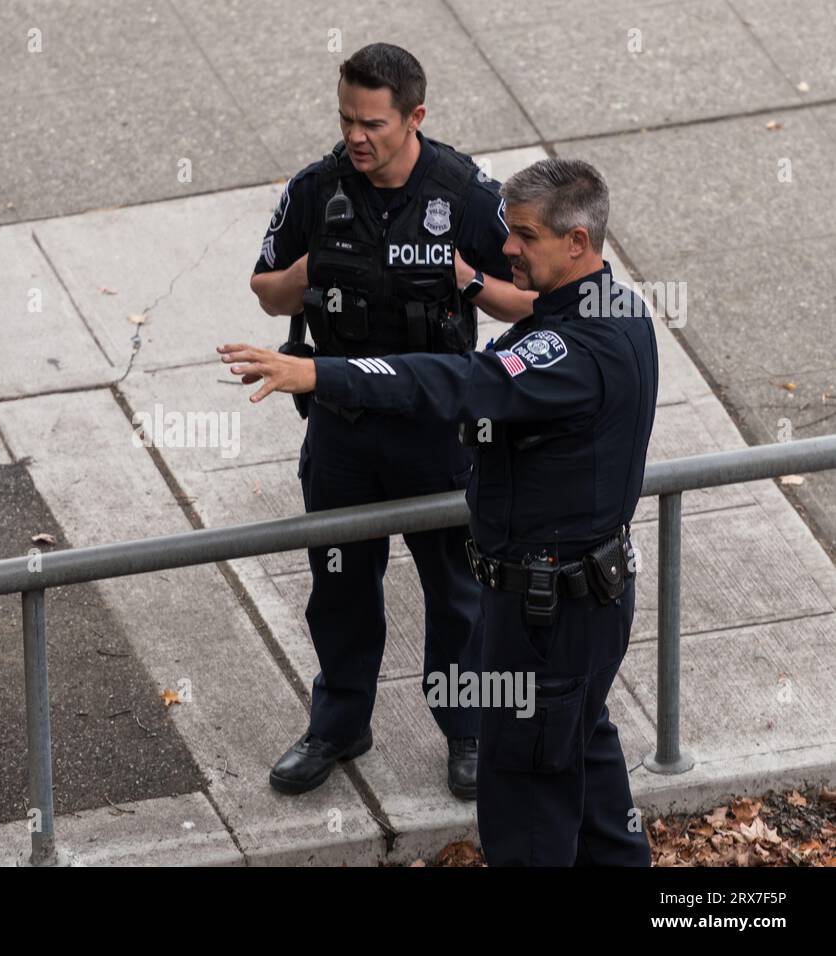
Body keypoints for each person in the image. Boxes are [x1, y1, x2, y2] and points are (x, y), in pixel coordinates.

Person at [222, 156, 656, 866]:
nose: (505, 248)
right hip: (576, 604)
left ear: (577, 243)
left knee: (525, 808)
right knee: (586, 761)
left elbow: (458, 381)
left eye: (523, 236)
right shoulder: (617, 308)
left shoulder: (574, 350)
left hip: (548, 616)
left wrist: (320, 372)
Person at [248, 42, 537, 798]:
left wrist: (466, 281)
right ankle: (339, 724)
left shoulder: (467, 193)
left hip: (438, 429)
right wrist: (318, 264)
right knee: (340, 584)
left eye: (372, 122)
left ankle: (469, 730)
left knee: (458, 594)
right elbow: (267, 293)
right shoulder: (317, 188)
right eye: (346, 118)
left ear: (415, 117)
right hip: (344, 429)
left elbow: (533, 300)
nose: (355, 137)